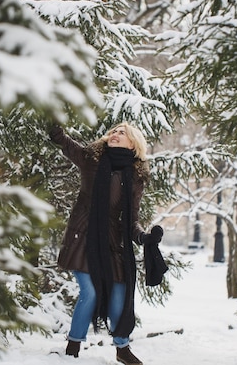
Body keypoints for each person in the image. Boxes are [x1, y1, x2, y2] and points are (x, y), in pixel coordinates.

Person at [49, 122, 164, 365]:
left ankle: (122, 348)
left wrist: (145, 238)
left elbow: (132, 219)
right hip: (83, 236)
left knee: (119, 298)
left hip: (112, 242)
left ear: (133, 143)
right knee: (89, 292)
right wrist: (54, 125)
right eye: (113, 131)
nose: (115, 134)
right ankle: (72, 347)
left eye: (122, 133)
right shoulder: (91, 159)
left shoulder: (135, 178)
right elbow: (65, 142)